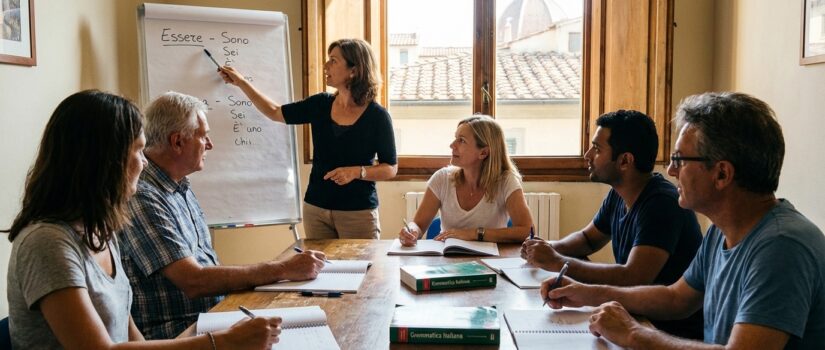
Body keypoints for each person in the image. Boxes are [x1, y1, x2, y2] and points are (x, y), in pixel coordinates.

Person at [543, 92, 825, 349]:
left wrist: (633, 333)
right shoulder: (721, 232)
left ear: (722, 174)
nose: (671, 170)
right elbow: (677, 299)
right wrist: (586, 293)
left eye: (680, 159)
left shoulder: (782, 248)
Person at [4, 90, 280, 349]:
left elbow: (132, 338)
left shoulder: (101, 230)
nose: (145, 162)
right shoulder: (47, 243)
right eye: (138, 150)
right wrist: (222, 343)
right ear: (104, 161)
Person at [119, 92, 326, 340]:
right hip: (178, 332)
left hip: (213, 316)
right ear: (177, 142)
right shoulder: (144, 196)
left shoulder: (179, 186)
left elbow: (206, 268)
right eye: (203, 135)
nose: (209, 144)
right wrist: (282, 269)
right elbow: (194, 281)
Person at [521, 109, 703, 339]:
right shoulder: (619, 194)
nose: (587, 155)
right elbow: (588, 239)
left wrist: (557, 261)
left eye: (597, 149)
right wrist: (547, 248)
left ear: (625, 161)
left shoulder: (662, 203)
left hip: (666, 332)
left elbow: (634, 277)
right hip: (634, 317)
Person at [219, 38, 397, 239]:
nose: (325, 65)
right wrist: (241, 83)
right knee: (319, 270)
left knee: (362, 270)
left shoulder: (377, 116)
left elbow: (390, 168)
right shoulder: (320, 104)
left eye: (333, 60)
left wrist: (357, 172)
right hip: (315, 210)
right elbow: (276, 112)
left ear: (354, 70)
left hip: (358, 213)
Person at [397, 115, 532, 245]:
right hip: (447, 261)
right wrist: (412, 231)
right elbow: (419, 225)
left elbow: (527, 231)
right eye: (455, 138)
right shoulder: (442, 179)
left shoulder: (506, 181)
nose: (452, 145)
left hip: (490, 263)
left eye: (461, 140)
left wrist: (473, 234)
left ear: (483, 153)